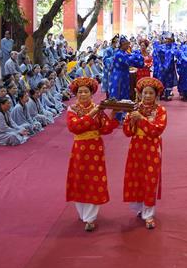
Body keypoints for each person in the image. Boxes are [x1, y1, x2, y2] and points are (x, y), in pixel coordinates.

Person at [66, 77, 120, 232]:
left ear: (91, 93)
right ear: (76, 94)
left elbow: (105, 129)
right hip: (79, 150)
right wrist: (93, 113)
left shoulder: (98, 108)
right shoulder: (72, 110)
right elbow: (75, 127)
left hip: (95, 149)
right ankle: (82, 213)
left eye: (86, 91)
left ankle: (90, 218)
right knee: (80, 178)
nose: (83, 94)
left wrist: (113, 115)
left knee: (93, 180)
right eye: (80, 92)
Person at [123, 77, 168, 230]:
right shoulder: (134, 108)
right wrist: (131, 120)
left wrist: (141, 119)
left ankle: (148, 214)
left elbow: (156, 130)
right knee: (136, 177)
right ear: (140, 94)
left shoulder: (161, 111)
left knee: (150, 179)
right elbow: (127, 132)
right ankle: (139, 208)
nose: (147, 96)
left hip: (152, 147)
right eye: (145, 93)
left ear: (156, 95)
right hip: (136, 148)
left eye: (150, 93)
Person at [108, 36, 145, 101]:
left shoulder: (125, 53)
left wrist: (137, 56)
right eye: (127, 44)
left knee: (125, 91)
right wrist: (138, 56)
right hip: (119, 76)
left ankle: (124, 105)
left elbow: (131, 58)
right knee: (119, 91)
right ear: (122, 45)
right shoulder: (119, 54)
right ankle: (117, 107)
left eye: (128, 44)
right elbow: (128, 61)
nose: (128, 46)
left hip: (125, 74)